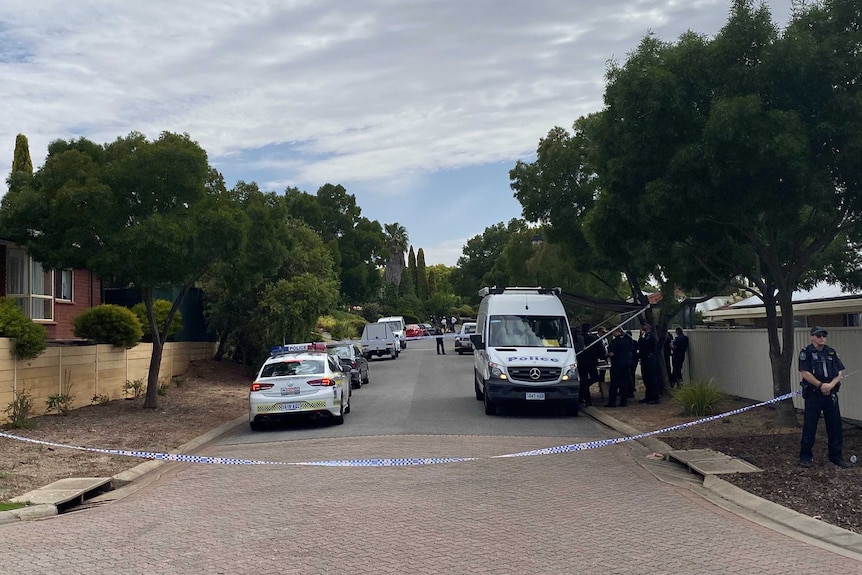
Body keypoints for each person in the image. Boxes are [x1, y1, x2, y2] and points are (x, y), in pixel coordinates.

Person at [798, 326, 852, 468]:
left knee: (835, 426)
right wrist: (821, 385)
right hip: (814, 394)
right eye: (819, 335)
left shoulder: (831, 352)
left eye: (824, 336)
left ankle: (836, 456)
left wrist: (831, 385)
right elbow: (805, 373)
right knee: (810, 426)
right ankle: (805, 457)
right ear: (812, 337)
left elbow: (839, 372)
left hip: (830, 394)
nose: (822, 338)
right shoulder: (806, 352)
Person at [606, 327, 634, 407]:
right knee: (624, 383)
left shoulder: (615, 342)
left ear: (616, 332)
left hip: (617, 364)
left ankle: (612, 402)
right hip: (625, 364)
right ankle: (623, 401)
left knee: (614, 384)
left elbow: (611, 353)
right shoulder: (627, 340)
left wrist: (607, 355)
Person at [578, 323, 600, 406]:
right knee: (595, 378)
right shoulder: (593, 339)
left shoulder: (578, 338)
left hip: (581, 362)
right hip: (591, 362)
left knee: (583, 380)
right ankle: (586, 397)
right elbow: (599, 349)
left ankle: (583, 395)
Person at [637, 323, 659, 404]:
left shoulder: (652, 337)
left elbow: (650, 346)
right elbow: (639, 346)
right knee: (646, 378)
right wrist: (640, 336)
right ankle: (648, 397)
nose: (643, 327)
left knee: (651, 378)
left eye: (645, 326)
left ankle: (654, 397)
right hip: (644, 360)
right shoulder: (645, 337)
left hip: (650, 360)